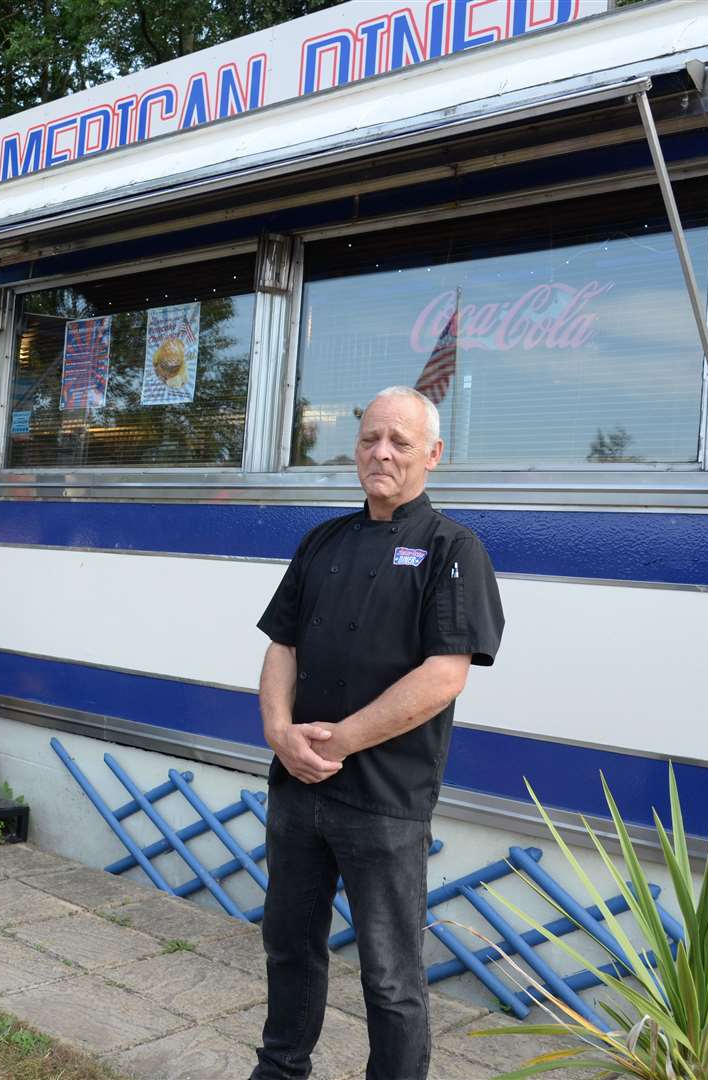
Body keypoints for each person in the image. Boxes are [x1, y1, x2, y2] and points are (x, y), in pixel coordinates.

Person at [251, 386, 505, 1080]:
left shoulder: (455, 550)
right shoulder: (322, 541)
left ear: (433, 454)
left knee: (390, 979)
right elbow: (282, 646)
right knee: (289, 948)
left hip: (384, 802)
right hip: (298, 789)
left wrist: (340, 741)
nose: (380, 453)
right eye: (369, 439)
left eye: (397, 440)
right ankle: (280, 1070)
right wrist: (279, 731)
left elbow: (444, 676)